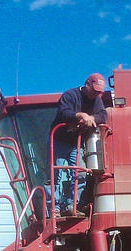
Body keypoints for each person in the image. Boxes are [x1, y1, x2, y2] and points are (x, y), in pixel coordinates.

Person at [45, 73, 107, 218]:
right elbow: (63, 113)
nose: (96, 94)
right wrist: (80, 116)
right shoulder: (70, 95)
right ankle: (53, 210)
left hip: (76, 143)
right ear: (87, 84)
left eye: (99, 92)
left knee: (80, 173)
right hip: (58, 141)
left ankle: (70, 206)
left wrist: (92, 118)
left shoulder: (96, 101)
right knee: (54, 176)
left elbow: (103, 115)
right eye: (95, 90)